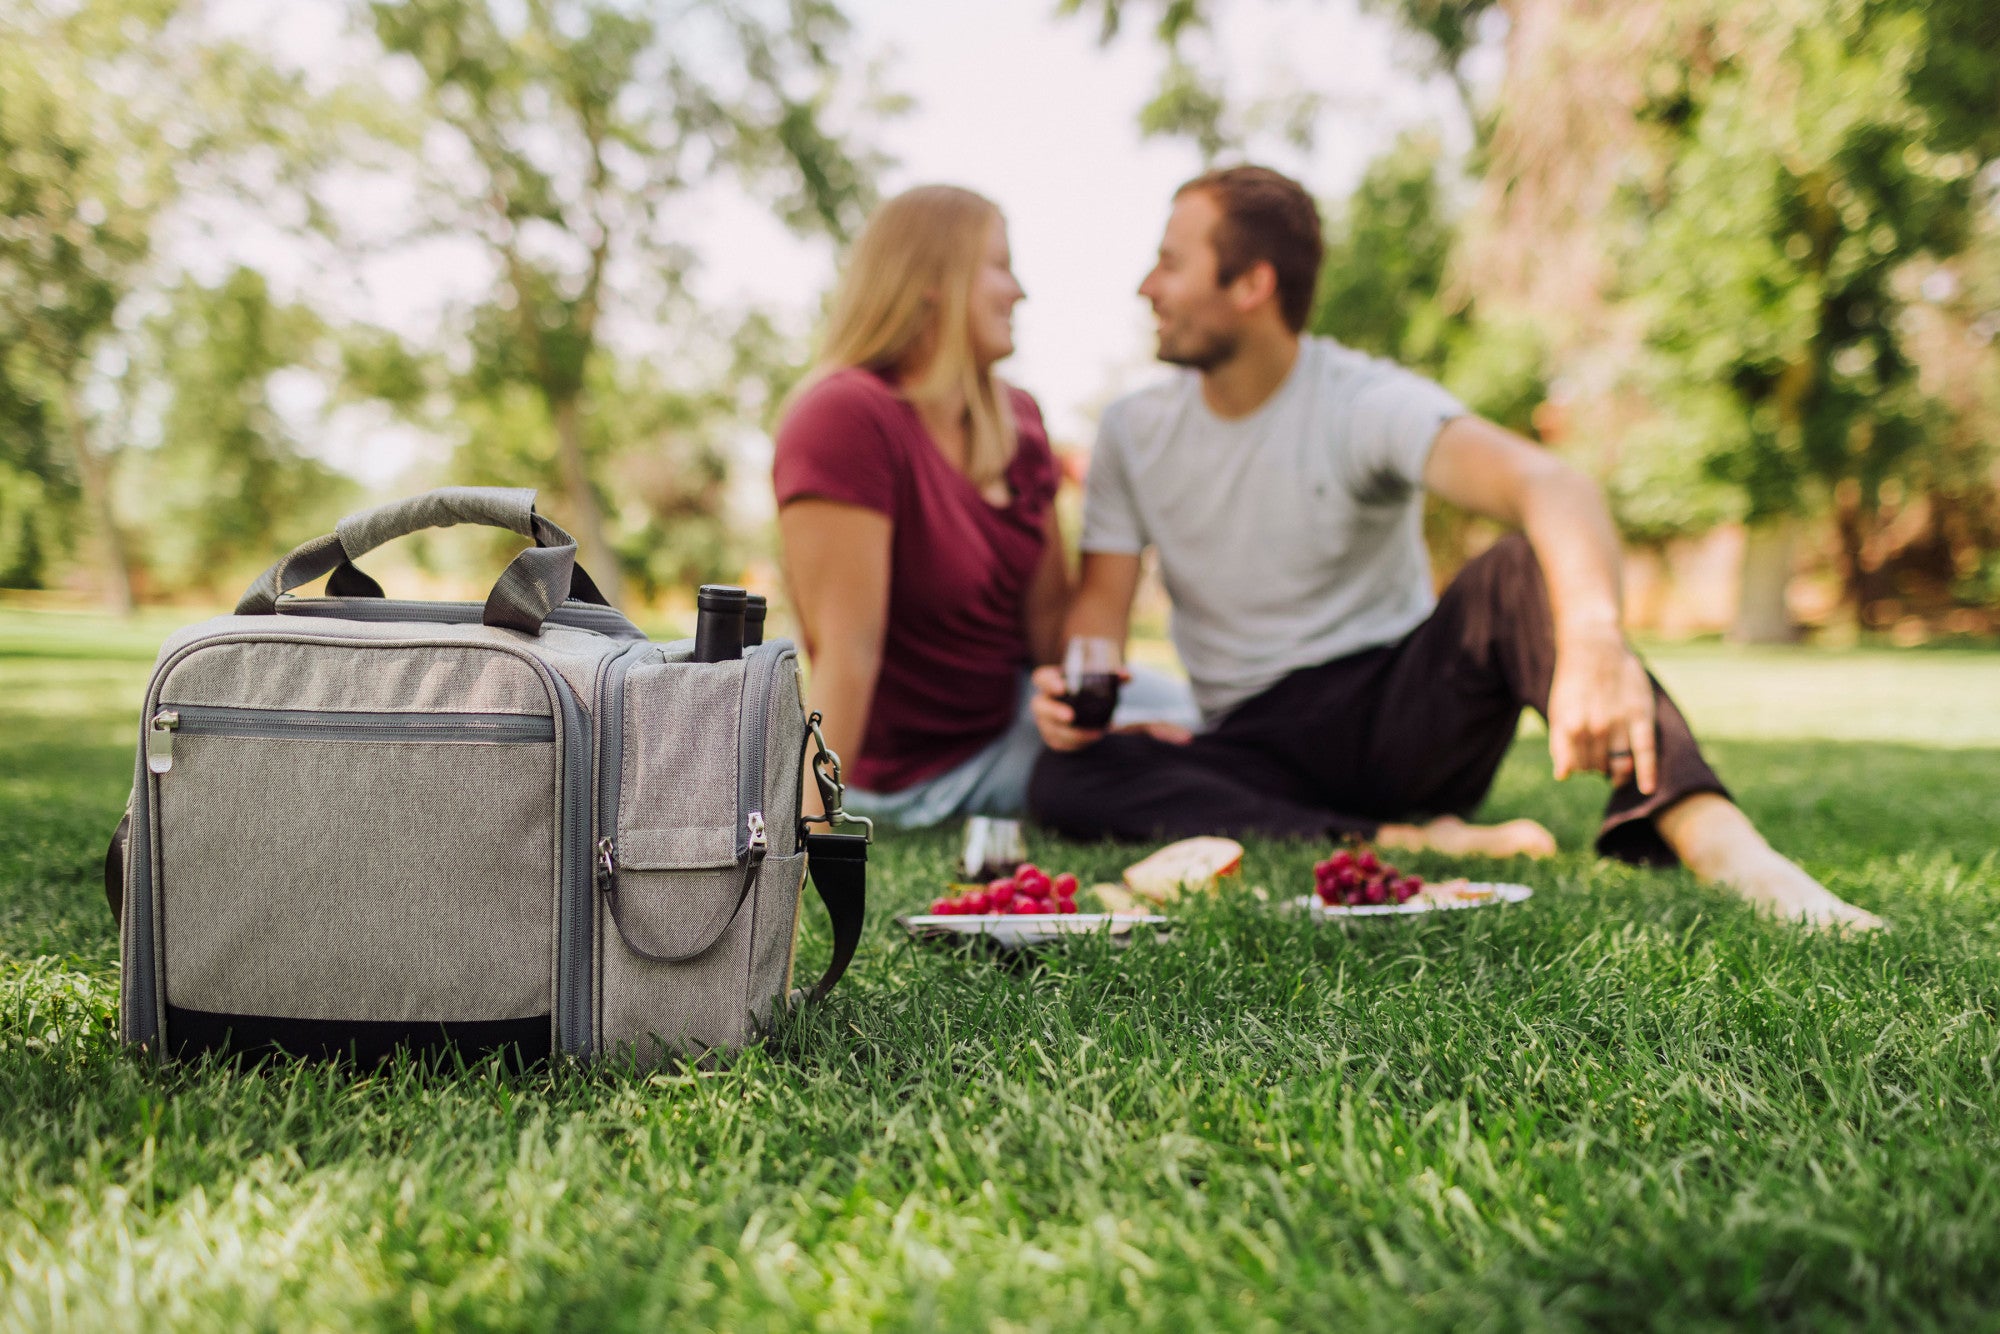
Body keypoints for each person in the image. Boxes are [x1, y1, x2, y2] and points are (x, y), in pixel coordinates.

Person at [1026, 165, 1882, 930]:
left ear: (1252, 283)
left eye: (1171, 262)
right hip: (1254, 743)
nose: (1148, 286)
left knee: (1516, 571)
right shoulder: (1134, 432)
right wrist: (1076, 700)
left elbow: (1552, 486)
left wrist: (1591, 638)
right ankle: (1395, 840)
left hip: (1402, 714)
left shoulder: (1361, 400)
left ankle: (1723, 844)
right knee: (1063, 781)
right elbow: (1099, 609)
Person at [774, 185, 1196, 829]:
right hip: (920, 775)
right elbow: (846, 655)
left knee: (1195, 719)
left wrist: (1073, 704)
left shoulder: (1019, 419)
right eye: (999, 265)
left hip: (1011, 720)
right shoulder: (845, 417)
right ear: (929, 282)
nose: (1018, 290)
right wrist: (806, 833)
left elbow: (1050, 630)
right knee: (1180, 764)